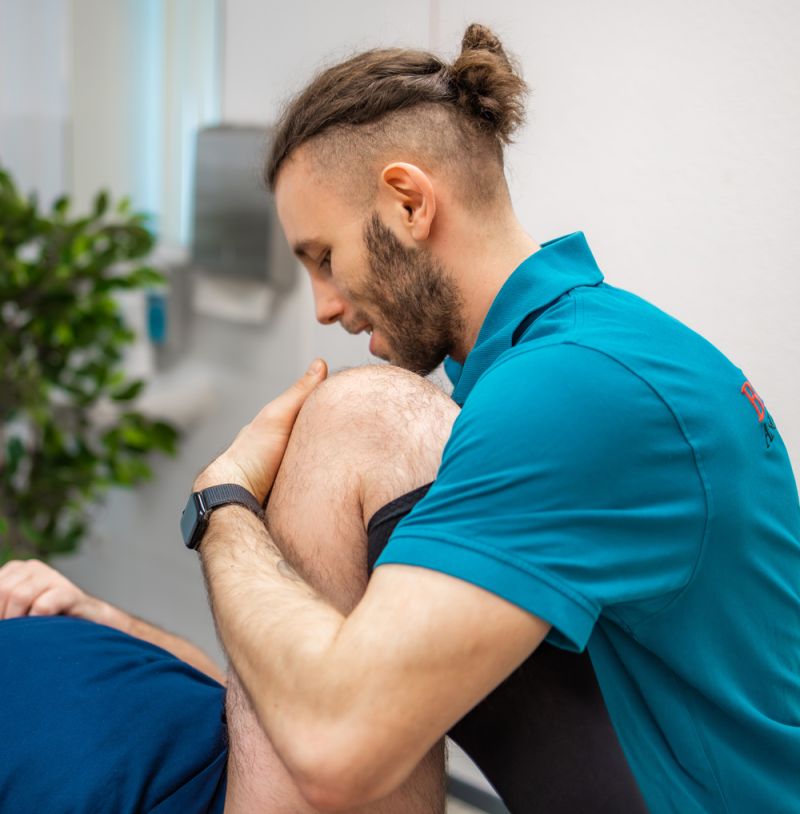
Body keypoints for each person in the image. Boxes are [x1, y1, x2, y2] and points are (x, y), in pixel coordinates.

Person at [189, 21, 800, 814]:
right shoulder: (579, 355)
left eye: (325, 258)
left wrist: (222, 507)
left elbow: (338, 746)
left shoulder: (568, 393)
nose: (325, 307)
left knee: (357, 416)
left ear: (409, 203)